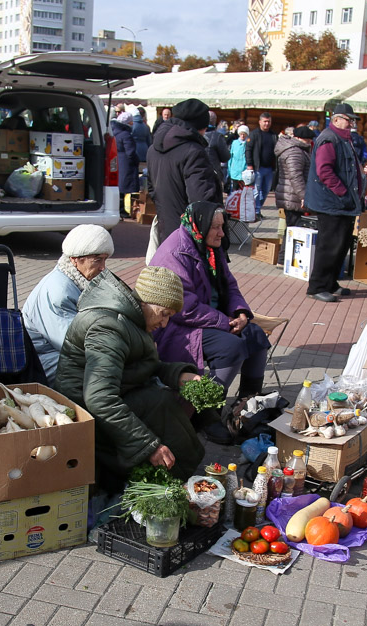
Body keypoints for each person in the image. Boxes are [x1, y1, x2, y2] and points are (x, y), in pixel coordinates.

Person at [54, 266, 204, 492]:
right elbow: (100, 399)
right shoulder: (109, 328)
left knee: (161, 402)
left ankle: (180, 478)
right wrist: (148, 446)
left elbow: (140, 364)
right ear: (146, 302)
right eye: (164, 313)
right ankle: (172, 482)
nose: (164, 323)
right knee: (159, 406)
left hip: (110, 395)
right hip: (84, 411)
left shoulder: (132, 319)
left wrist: (179, 375)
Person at [150, 201, 271, 409]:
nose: (221, 233)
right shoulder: (175, 253)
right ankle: (208, 410)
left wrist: (240, 312)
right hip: (175, 325)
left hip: (210, 318)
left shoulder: (210, 248)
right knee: (230, 347)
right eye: (215, 227)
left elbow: (229, 285)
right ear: (200, 225)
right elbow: (183, 308)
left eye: (222, 226)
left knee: (256, 336)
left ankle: (248, 405)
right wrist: (225, 322)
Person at [22, 225, 115, 383]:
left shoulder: (77, 281)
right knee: (104, 370)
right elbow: (73, 344)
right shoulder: (60, 292)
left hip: (55, 354)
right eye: (98, 260)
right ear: (75, 259)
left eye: (105, 260)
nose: (103, 267)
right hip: (41, 361)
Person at [145, 98, 222, 262]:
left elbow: (152, 189)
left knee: (171, 271)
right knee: (189, 275)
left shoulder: (153, 149)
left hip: (167, 228)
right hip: (190, 237)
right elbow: (201, 201)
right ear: (201, 127)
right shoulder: (194, 151)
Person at [304, 103, 365, 303]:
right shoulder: (329, 139)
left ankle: (330, 283)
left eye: (353, 120)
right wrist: (343, 192)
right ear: (336, 119)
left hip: (341, 203)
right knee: (329, 245)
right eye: (349, 120)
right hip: (331, 202)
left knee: (341, 245)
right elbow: (324, 171)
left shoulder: (343, 139)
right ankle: (317, 286)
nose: (351, 124)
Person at [274, 126, 314, 230]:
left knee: (292, 229)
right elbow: (296, 176)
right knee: (294, 230)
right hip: (292, 196)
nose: (309, 142)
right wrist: (303, 197)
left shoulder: (297, 149)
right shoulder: (295, 152)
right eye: (307, 140)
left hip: (292, 195)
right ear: (299, 138)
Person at [245, 112, 278, 219]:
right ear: (260, 122)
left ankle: (258, 209)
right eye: (265, 121)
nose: (267, 124)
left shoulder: (273, 135)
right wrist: (250, 164)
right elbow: (248, 150)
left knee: (265, 191)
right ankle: (256, 211)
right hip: (257, 168)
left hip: (270, 169)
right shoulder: (254, 134)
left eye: (269, 121)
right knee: (256, 191)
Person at [111, 112, 139, 218]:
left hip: (117, 161)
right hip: (126, 163)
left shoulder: (114, 132)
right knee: (125, 188)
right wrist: (136, 160)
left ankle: (119, 208)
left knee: (119, 186)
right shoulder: (126, 135)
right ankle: (122, 210)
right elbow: (130, 152)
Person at [205, 111, 231, 194]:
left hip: (195, 172)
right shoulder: (217, 136)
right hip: (212, 173)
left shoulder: (193, 133)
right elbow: (225, 157)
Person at [228, 124, 250, 191]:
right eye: (241, 134)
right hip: (235, 170)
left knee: (243, 191)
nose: (242, 136)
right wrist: (230, 169)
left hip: (245, 171)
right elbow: (231, 156)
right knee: (234, 190)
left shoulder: (248, 143)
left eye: (244, 134)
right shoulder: (234, 143)